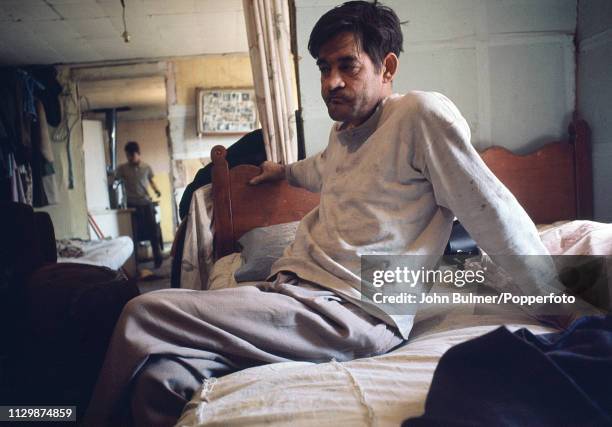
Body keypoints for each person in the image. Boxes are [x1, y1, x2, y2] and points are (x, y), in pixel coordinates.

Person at [84, 2, 578, 426]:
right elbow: (321, 171)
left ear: (387, 67)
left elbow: (493, 209)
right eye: (324, 67)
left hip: (352, 310)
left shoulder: (419, 116)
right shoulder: (346, 133)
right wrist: (281, 171)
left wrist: (555, 298)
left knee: (141, 313)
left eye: (348, 65)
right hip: (294, 297)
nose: (332, 82)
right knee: (162, 378)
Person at [115, 141, 163, 268]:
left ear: (138, 154)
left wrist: (157, 190)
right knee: (133, 235)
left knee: (153, 233)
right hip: (132, 206)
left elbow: (151, 181)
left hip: (146, 203)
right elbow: (115, 180)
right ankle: (134, 264)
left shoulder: (146, 167)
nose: (130, 158)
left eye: (132, 155)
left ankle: (158, 259)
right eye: (127, 156)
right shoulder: (122, 169)